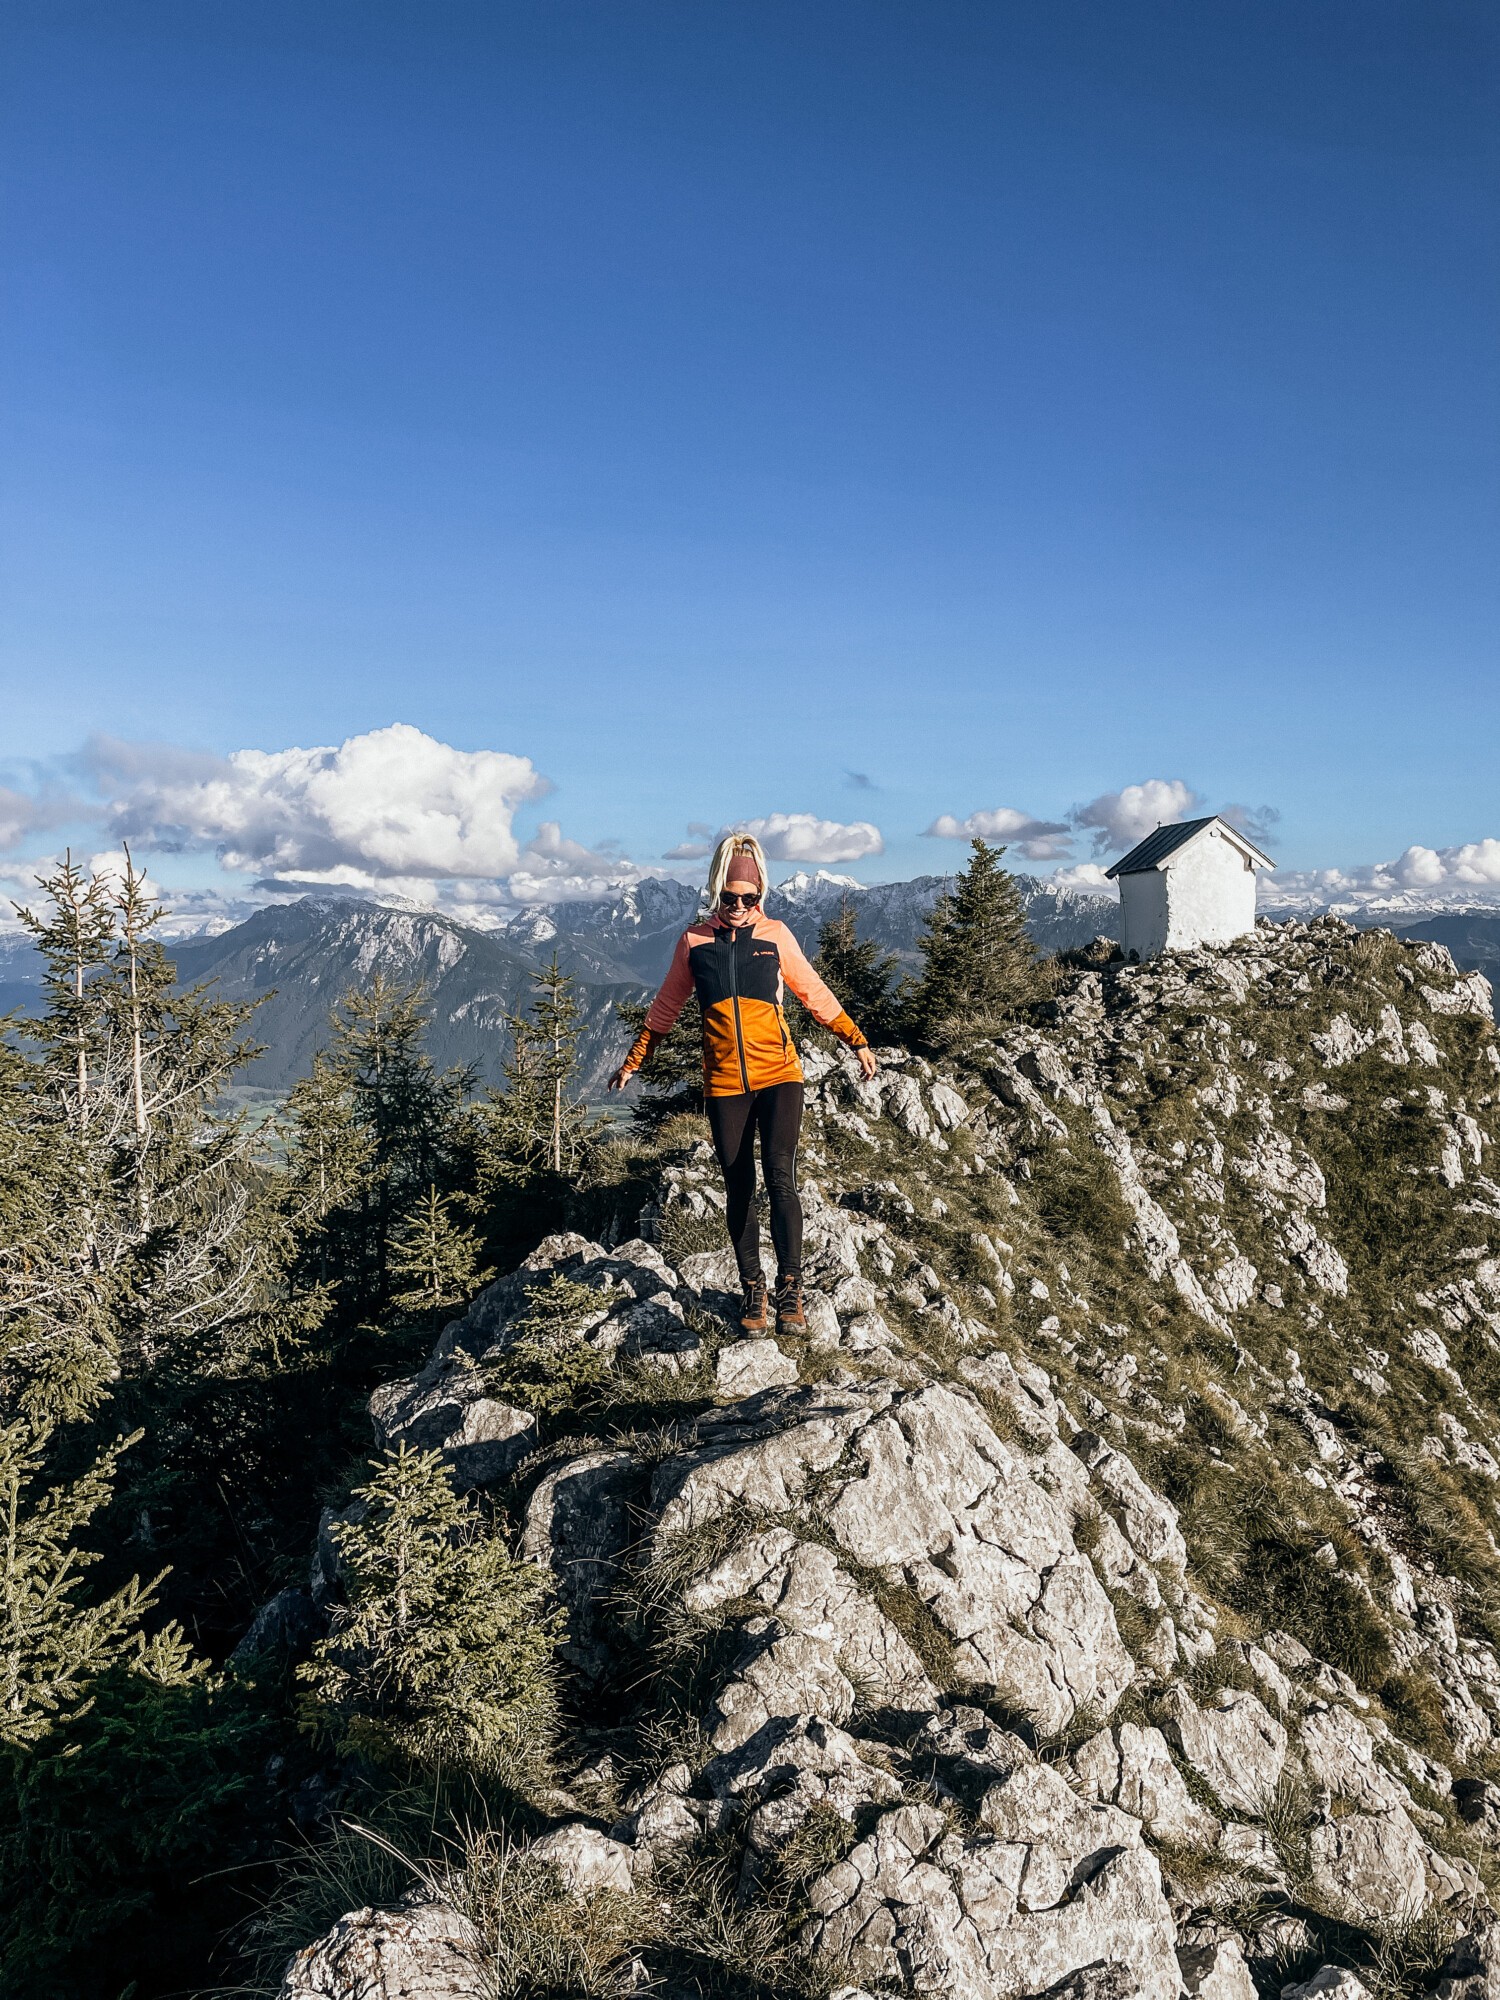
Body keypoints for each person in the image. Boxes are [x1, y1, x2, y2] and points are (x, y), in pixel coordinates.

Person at [608, 832, 879, 1334]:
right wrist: (633, 1062)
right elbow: (666, 1007)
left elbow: (812, 991)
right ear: (716, 892)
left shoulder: (776, 936)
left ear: (761, 896)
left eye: (749, 898)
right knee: (738, 1187)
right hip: (724, 1082)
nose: (738, 907)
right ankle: (752, 1289)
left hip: (779, 1074)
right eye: (729, 898)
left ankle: (790, 1291)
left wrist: (855, 1040)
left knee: (780, 1179)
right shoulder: (694, 942)